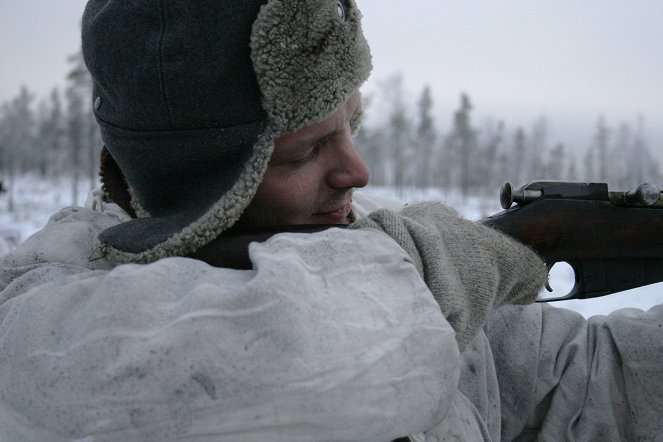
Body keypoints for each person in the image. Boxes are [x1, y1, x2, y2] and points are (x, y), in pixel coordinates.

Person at [0, 0, 661, 441]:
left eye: (349, 125)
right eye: (306, 149)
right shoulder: (45, 308)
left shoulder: (369, 242)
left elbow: (572, 381)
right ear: (199, 175)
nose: (358, 172)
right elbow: (307, 360)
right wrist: (445, 266)